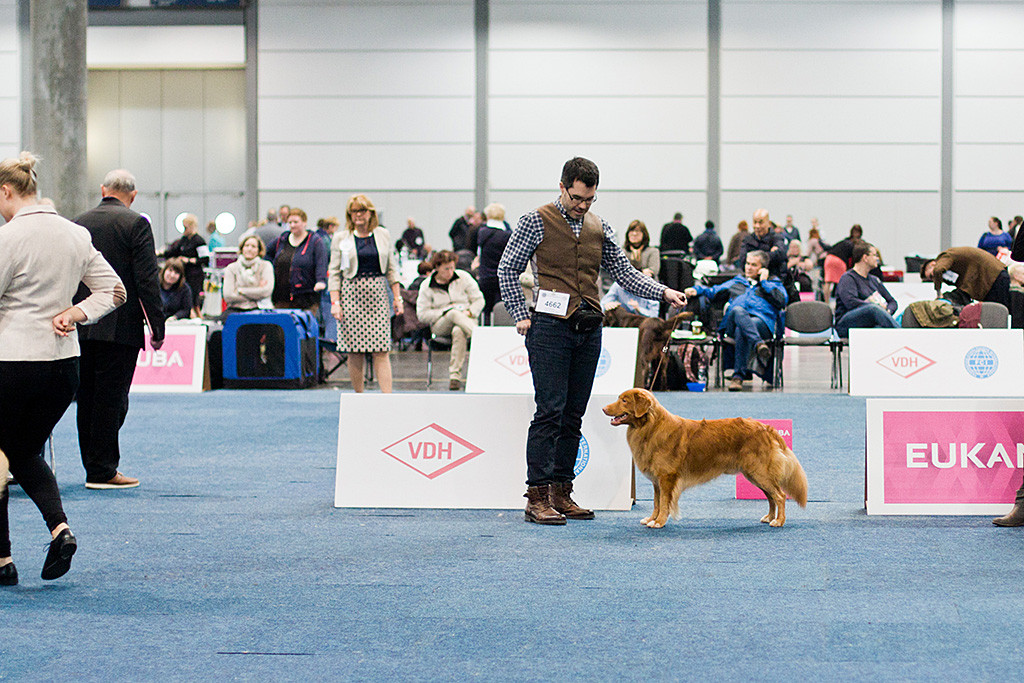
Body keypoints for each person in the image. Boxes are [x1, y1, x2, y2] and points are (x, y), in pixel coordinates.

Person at [497, 156, 685, 525]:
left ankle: (562, 493)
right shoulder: (535, 220)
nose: (583, 206)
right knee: (549, 411)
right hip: (548, 327)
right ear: (563, 186)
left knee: (573, 414)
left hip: (589, 328)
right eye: (577, 198)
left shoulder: (600, 226)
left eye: (589, 200)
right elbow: (506, 269)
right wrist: (520, 314)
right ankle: (536, 496)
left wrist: (663, 292)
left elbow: (625, 273)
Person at [0, 152, 126, 585]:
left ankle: (3, 561)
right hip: (63, 365)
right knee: (22, 452)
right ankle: (60, 530)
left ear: (7, 192)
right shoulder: (75, 235)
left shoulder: (8, 237)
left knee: (2, 456)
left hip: (13, 361)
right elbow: (114, 292)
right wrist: (75, 313)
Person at [74, 168, 166, 490]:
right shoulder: (136, 223)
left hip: (81, 323)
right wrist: (157, 326)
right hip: (120, 327)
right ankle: (102, 470)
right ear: (133, 195)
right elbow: (147, 279)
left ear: (103, 189)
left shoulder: (78, 222)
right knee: (112, 399)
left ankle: (93, 465)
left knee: (86, 396)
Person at [329, 194, 403, 393]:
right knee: (355, 351)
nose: (358, 215)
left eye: (362, 211)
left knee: (382, 349)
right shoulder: (341, 238)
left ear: (371, 213)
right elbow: (334, 273)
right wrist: (335, 303)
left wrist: (397, 298)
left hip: (378, 294)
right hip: (351, 294)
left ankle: (387, 397)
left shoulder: (383, 235)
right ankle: (359, 397)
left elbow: (391, 269)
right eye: (354, 211)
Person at [685, 250, 785, 392]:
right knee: (737, 310)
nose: (748, 268)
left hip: (761, 323)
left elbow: (782, 300)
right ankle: (758, 344)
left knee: (742, 329)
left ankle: (738, 377)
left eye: (754, 265)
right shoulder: (737, 282)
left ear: (763, 268)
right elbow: (713, 291)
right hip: (733, 322)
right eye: (747, 264)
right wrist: (696, 289)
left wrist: (764, 282)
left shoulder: (772, 284)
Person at [416, 250, 484, 390]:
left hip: (466, 318)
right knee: (453, 313)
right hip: (440, 324)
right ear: (437, 268)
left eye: (453, 267)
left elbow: (479, 300)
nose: (451, 271)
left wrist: (470, 311)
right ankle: (481, 339)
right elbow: (422, 315)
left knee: (459, 331)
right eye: (446, 269)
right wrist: (444, 311)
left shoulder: (463, 277)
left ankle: (455, 377)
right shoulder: (427, 286)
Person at [266, 207, 328, 314]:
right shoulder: (282, 240)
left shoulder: (315, 241)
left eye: (296, 222)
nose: (292, 225)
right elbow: (267, 254)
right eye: (290, 222)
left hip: (306, 299)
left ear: (304, 222)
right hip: (281, 298)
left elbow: (321, 262)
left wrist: (320, 280)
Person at [833, 242, 898, 338]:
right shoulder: (848, 278)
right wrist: (878, 308)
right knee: (873, 309)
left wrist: (886, 311)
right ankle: (902, 336)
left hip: (870, 322)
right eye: (875, 255)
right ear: (865, 258)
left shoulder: (874, 280)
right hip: (846, 324)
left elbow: (892, 302)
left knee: (880, 330)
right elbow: (851, 302)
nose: (877, 258)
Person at [920, 246, 1010, 308]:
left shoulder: (945, 256)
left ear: (932, 264)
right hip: (992, 280)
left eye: (931, 276)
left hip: (994, 277)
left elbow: (938, 270)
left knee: (1000, 311)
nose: (934, 279)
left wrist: (938, 292)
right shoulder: (951, 268)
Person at [161, 213, 208, 314]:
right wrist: (160, 253)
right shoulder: (184, 240)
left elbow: (205, 259)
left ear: (191, 226)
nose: (184, 230)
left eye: (185, 227)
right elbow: (173, 251)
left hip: (195, 275)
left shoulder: (199, 241)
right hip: (184, 274)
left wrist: (189, 260)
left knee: (195, 301)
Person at [476, 202, 511, 320]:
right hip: (501, 276)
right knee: (500, 308)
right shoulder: (506, 235)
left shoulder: (481, 232)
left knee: (485, 308)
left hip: (485, 275)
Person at [222, 235, 274, 314]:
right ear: (242, 248)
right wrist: (256, 295)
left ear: (259, 250)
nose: (249, 249)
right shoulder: (231, 268)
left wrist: (240, 290)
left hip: (260, 310)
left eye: (253, 246)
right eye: (246, 246)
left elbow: (266, 291)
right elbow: (228, 296)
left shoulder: (266, 266)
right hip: (235, 310)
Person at [738, 208, 786, 277]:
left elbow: (781, 255)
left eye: (761, 222)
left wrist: (754, 258)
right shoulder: (747, 240)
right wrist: (768, 255)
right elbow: (742, 261)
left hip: (773, 279)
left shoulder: (777, 238)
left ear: (768, 223)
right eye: (755, 222)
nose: (757, 226)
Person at [822, 224, 863, 304]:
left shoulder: (845, 240)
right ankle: (840, 303)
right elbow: (854, 259)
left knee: (827, 281)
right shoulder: (856, 244)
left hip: (829, 257)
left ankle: (826, 303)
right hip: (840, 261)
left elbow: (831, 247)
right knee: (841, 282)